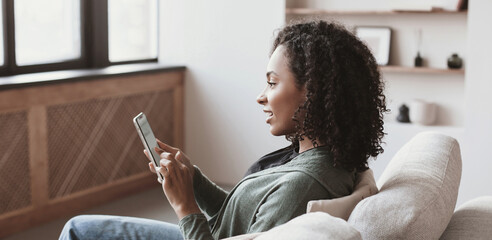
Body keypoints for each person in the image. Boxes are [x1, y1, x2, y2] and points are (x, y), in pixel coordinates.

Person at [59, 20, 387, 240]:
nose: (261, 96)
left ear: (313, 93)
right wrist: (194, 180)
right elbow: (240, 219)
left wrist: (185, 207)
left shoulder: (301, 188)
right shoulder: (325, 158)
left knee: (77, 230)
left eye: (272, 83)